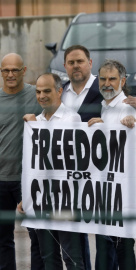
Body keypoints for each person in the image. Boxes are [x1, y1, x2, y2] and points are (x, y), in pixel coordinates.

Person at [22, 73, 85, 270]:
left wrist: (35, 127)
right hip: (41, 199)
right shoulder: (36, 120)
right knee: (48, 256)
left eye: (46, 91)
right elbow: (31, 164)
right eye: (38, 92)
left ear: (59, 91)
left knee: (72, 257)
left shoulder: (72, 118)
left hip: (66, 200)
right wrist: (26, 196)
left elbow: (59, 155)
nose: (41, 96)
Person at [88, 59, 136, 270]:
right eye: (102, 78)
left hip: (127, 191)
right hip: (105, 189)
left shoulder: (128, 108)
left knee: (122, 246)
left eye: (112, 79)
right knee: (105, 245)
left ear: (123, 80)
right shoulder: (102, 106)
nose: (107, 83)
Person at [62, 45, 104, 270]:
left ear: (90, 62)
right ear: (65, 66)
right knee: (72, 237)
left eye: (80, 61)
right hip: (67, 178)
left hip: (100, 177)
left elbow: (126, 108)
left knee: (105, 239)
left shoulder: (106, 86)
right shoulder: (60, 92)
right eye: (71, 62)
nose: (76, 66)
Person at [0, 53, 42, 270]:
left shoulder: (37, 96)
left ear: (24, 71)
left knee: (37, 236)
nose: (10, 74)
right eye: (5, 70)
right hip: (1, 180)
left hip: (28, 181)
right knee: (3, 240)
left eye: (15, 70)